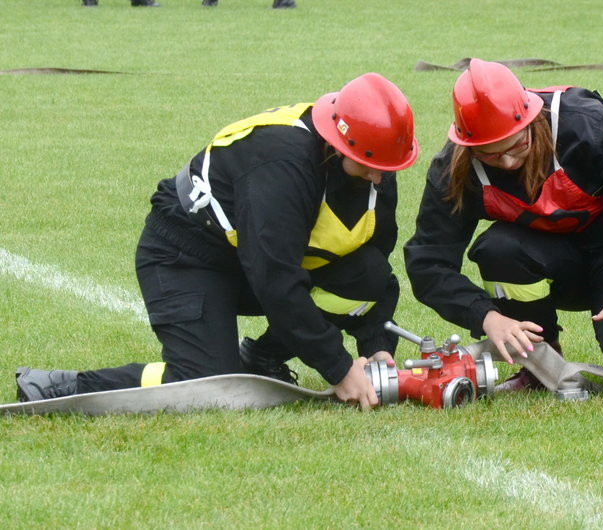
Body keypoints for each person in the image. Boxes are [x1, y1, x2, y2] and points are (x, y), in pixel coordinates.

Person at [15, 73, 418, 411]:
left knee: (367, 274)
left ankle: (263, 357)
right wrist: (339, 368)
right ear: (338, 143)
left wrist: (377, 346)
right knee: (207, 384)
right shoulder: (282, 163)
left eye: (386, 168)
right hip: (186, 254)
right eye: (370, 167)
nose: (379, 178)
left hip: (253, 257)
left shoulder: (374, 163)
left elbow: (371, 264)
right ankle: (62, 386)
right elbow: (275, 279)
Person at [404, 58, 603, 392]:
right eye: (491, 155)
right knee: (497, 248)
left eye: (517, 146)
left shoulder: (583, 125)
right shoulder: (453, 171)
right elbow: (429, 263)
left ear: (531, 120)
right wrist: (487, 317)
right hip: (557, 262)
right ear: (469, 146)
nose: (508, 162)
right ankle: (542, 365)